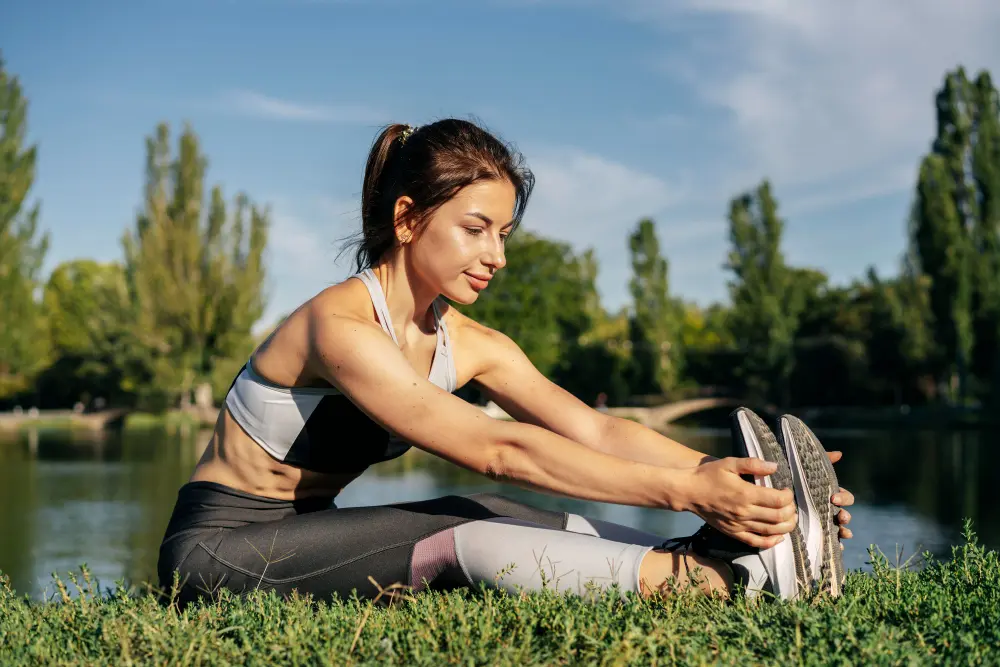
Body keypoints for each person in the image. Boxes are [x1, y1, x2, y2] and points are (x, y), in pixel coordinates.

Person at [157, 119, 854, 606]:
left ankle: (724, 549)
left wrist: (733, 484)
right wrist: (687, 491)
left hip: (308, 531)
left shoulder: (470, 342)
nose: (498, 255)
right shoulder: (337, 327)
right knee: (459, 525)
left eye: (505, 233)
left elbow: (594, 429)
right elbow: (496, 445)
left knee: (497, 511)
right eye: (476, 229)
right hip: (217, 551)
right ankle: (712, 581)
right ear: (407, 220)